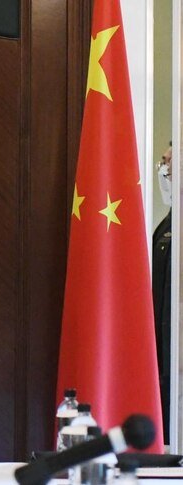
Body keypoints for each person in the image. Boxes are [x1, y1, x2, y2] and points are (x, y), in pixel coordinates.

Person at [153, 142, 172, 446]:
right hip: (164, 361)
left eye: (170, 164)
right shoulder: (166, 226)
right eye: (163, 163)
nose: (164, 170)